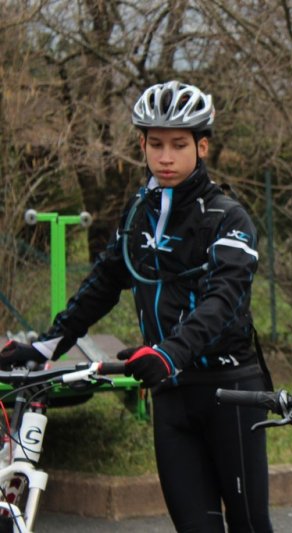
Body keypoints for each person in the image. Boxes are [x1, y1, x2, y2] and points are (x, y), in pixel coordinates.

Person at [0, 81, 272, 532]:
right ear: (142, 144)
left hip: (230, 389)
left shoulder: (228, 217)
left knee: (249, 526)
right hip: (171, 396)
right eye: (156, 144)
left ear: (201, 146)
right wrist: (46, 345)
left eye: (179, 145)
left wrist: (170, 352)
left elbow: (223, 299)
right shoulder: (138, 212)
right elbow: (105, 281)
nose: (166, 157)